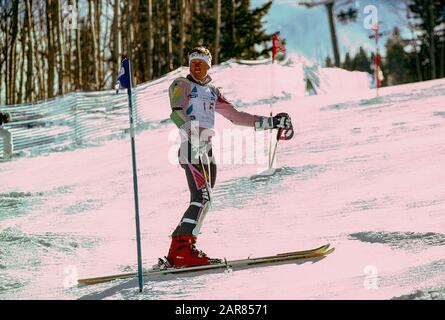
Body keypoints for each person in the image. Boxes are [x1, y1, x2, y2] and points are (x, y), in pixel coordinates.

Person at [166, 46, 293, 268]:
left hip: (207, 149)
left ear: (208, 66)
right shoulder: (182, 85)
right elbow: (176, 113)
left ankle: (178, 249)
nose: (196, 66)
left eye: (201, 63)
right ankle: (183, 252)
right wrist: (192, 134)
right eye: (193, 62)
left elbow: (236, 116)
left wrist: (272, 123)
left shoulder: (213, 92)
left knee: (203, 200)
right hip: (192, 146)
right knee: (203, 198)